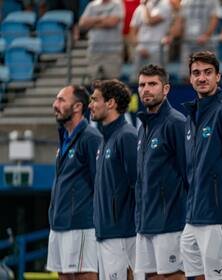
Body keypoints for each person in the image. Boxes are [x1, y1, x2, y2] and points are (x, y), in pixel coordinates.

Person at [180, 51, 222, 280]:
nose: (202, 78)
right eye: (196, 73)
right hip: (193, 215)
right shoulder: (190, 117)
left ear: (218, 76)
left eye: (208, 73)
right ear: (190, 79)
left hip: (220, 214)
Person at [134, 64, 187, 280]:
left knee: (173, 276)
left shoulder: (176, 123)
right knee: (152, 276)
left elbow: (188, 173)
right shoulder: (143, 128)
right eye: (142, 85)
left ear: (166, 89)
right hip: (146, 221)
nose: (146, 89)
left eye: (152, 84)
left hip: (171, 221)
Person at [47, 85, 102, 280]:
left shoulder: (91, 138)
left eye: (61, 100)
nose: (56, 105)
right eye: (56, 99)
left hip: (81, 224)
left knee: (84, 276)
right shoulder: (64, 137)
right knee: (64, 277)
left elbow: (100, 183)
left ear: (78, 106)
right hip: (58, 223)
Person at [89, 79, 138, 280]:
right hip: (106, 230)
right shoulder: (104, 139)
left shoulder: (127, 136)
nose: (90, 105)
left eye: (95, 99)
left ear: (111, 103)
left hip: (123, 231)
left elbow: (138, 184)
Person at [170, 0, 221, 79]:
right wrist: (172, 36)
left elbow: (215, 18)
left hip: (206, 44)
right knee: (187, 74)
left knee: (208, 74)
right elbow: (181, 19)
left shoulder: (212, 1)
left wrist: (206, 35)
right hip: (188, 43)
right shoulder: (185, 1)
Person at [79, 0, 124, 80]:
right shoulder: (92, 5)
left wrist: (92, 22)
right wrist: (102, 19)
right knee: (94, 83)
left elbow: (112, 22)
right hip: (94, 50)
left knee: (112, 84)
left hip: (112, 51)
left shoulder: (117, 4)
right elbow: (82, 23)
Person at [129, 0, 175, 78]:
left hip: (158, 51)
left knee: (157, 79)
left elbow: (149, 20)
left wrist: (144, 6)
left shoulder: (166, 5)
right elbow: (133, 29)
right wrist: (138, 47)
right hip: (140, 51)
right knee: (137, 79)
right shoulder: (140, 8)